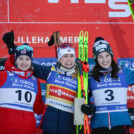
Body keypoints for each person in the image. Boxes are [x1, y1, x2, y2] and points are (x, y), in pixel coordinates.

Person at [87, 37, 134, 134]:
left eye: (107, 55)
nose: (105, 60)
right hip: (99, 126)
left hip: (120, 125)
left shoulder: (123, 72)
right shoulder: (90, 77)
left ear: (111, 55)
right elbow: (83, 98)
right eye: (100, 56)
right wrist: (86, 105)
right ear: (95, 58)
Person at [0, 42, 44, 134]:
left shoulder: (34, 81)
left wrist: (36, 129)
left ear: (31, 61)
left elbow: (38, 109)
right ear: (15, 60)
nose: (24, 62)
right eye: (20, 59)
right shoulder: (3, 76)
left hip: (28, 130)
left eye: (27, 59)